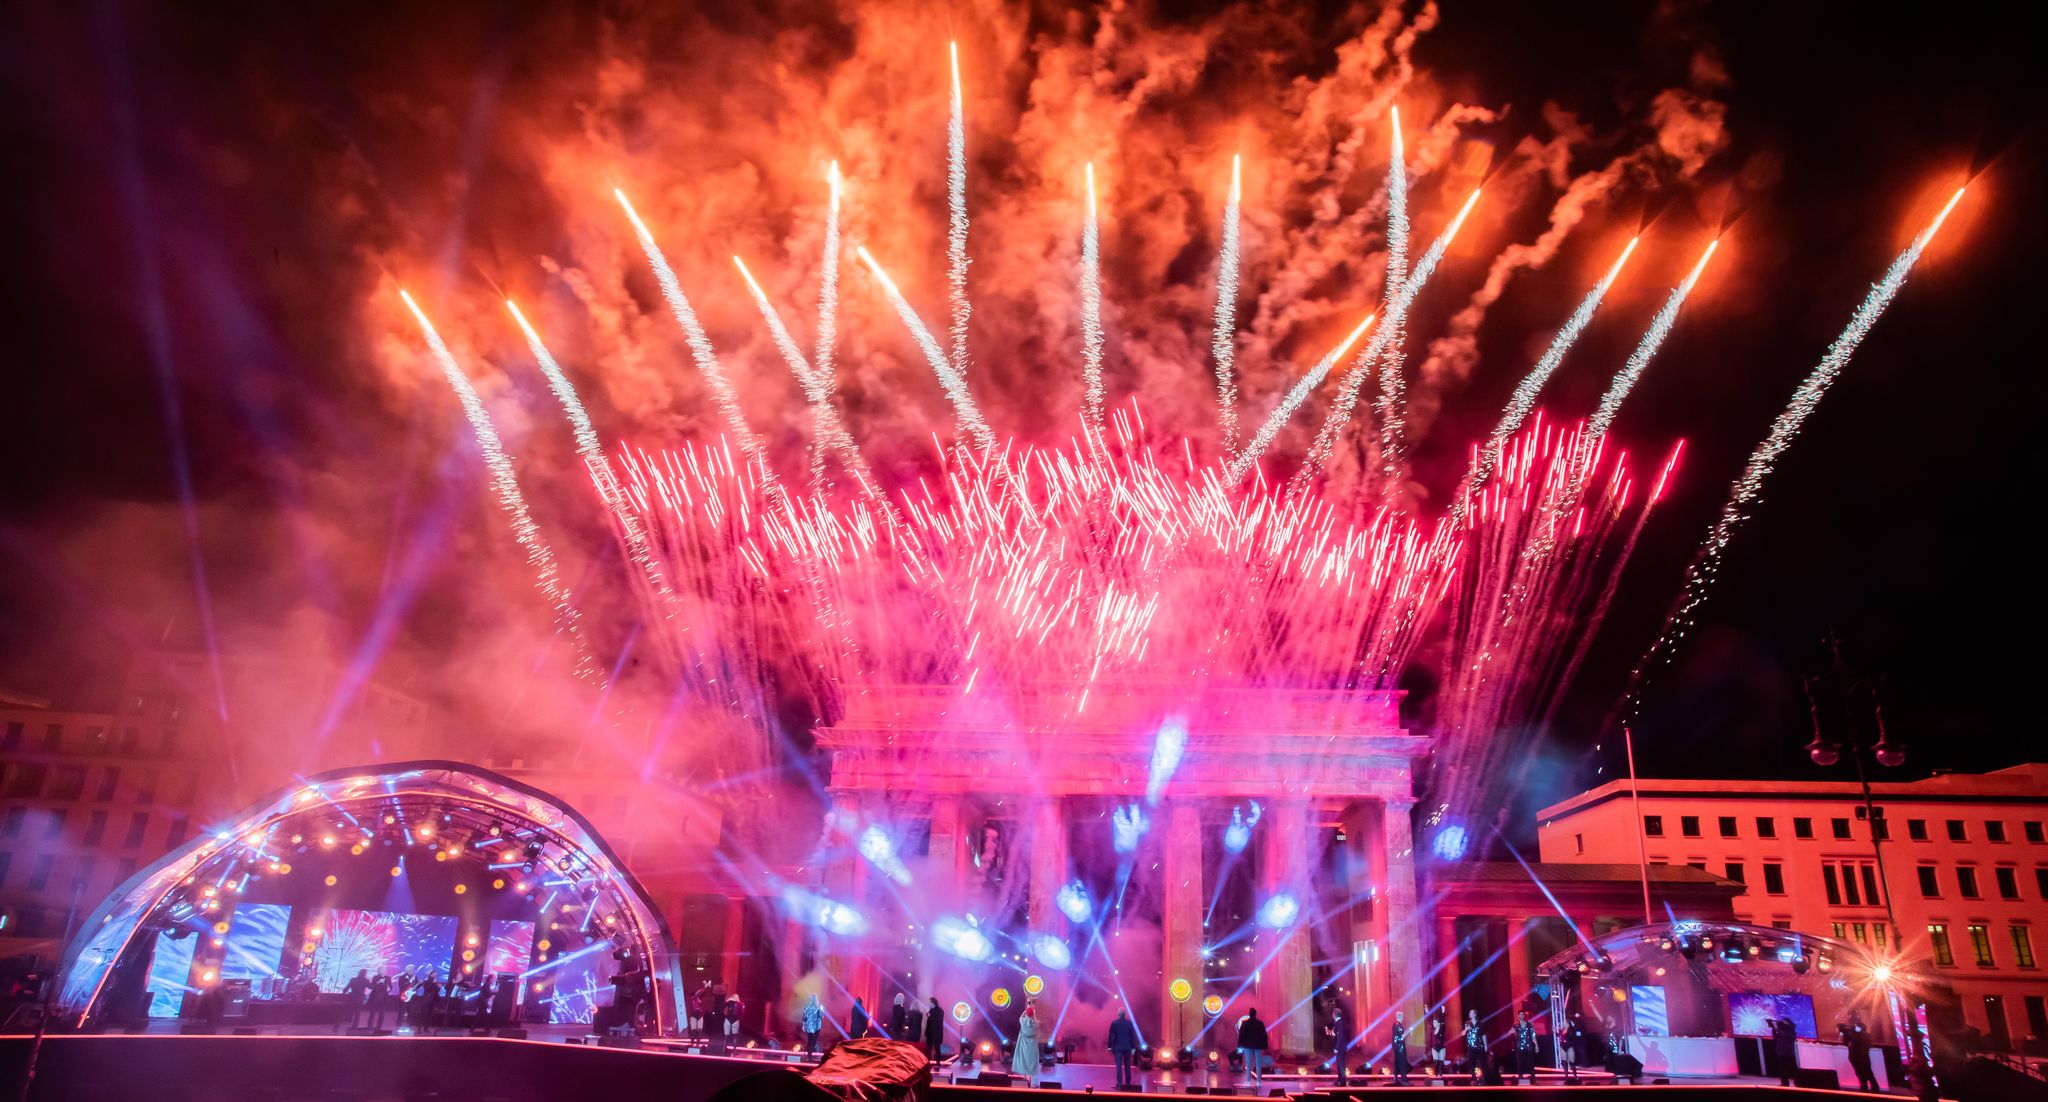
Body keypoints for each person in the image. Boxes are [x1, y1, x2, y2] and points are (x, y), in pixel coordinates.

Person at [1841, 1010, 1878, 1092]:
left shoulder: (1866, 1036)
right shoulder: (1855, 1036)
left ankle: (1875, 1090)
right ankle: (1864, 1089)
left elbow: (1856, 1039)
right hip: (1855, 1059)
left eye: (1857, 1027)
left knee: (1868, 1075)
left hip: (1863, 1059)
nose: (1855, 1028)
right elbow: (1846, 1042)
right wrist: (1844, 1032)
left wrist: (1850, 1032)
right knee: (1861, 1076)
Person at [1108, 1008, 1141, 1088]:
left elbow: (1111, 1036)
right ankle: (1128, 1083)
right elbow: (1132, 1036)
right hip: (1127, 1047)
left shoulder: (1114, 1023)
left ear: (1118, 1014)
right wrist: (1133, 1047)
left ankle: (1119, 1084)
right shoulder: (1129, 1023)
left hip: (1118, 1047)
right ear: (1124, 1014)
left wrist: (1109, 1047)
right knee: (1128, 1066)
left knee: (1118, 1066)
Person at [1238, 1008, 1270, 1090]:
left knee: (1248, 1064)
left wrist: (1239, 1045)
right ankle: (1258, 1081)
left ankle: (1248, 1081)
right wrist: (1265, 1046)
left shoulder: (1245, 1023)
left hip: (1247, 1045)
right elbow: (1264, 1035)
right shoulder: (1260, 1023)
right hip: (1258, 1045)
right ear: (1256, 1014)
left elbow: (1241, 1034)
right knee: (1258, 1064)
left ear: (1249, 1014)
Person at [1012, 1005, 1043, 1085]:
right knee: (1033, 1063)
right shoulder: (1036, 1024)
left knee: (1023, 1061)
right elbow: (1035, 1020)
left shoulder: (1022, 1021)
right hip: (1032, 1047)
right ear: (1032, 1015)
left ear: (1026, 1014)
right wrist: (1033, 1014)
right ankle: (1034, 1083)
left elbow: (1021, 1017)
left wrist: (1025, 1011)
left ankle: (1023, 1081)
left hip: (1023, 1046)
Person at [1464, 1009, 1489, 1083]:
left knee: (1482, 1062)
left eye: (1471, 1012)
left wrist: (1486, 1045)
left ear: (1475, 1014)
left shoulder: (1480, 1024)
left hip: (1479, 1045)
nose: (1469, 1013)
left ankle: (1484, 1078)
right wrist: (1466, 1030)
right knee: (1472, 1063)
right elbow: (1462, 1033)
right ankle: (1474, 1078)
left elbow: (1483, 1035)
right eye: (1469, 1012)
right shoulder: (1467, 1023)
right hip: (1471, 1046)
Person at [1773, 1017, 1799, 1087]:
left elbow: (1785, 1035)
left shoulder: (1791, 1030)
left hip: (1788, 1052)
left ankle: (1798, 1081)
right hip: (1780, 1051)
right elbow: (1776, 1038)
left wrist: (1777, 1028)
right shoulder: (1782, 1029)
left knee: (1793, 1068)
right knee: (1782, 1068)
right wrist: (1774, 1029)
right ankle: (1784, 1083)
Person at [1328, 999, 1349, 1085]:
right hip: (1340, 1047)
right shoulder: (1338, 1023)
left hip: (1340, 1047)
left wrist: (1336, 1047)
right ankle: (1340, 1079)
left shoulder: (1339, 1023)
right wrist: (1329, 1032)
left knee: (1341, 1065)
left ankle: (1342, 1081)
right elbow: (1336, 1035)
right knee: (1339, 1064)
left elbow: (1340, 1037)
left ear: (1334, 1015)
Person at [1514, 1011, 1538, 1081]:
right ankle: (1520, 1076)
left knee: (1530, 1062)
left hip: (1528, 1046)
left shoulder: (1529, 1025)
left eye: (1522, 1014)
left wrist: (1536, 1046)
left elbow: (1533, 1035)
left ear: (1524, 1016)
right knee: (1520, 1062)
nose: (1521, 1015)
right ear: (1518, 1016)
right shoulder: (1516, 1025)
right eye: (1520, 1014)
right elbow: (1511, 1032)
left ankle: (1533, 1077)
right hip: (1519, 1046)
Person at [1561, 1013, 1585, 1083]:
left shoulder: (1572, 1029)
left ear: (1567, 1022)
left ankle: (1575, 1076)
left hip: (1569, 1046)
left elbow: (1576, 1035)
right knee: (1564, 1062)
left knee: (1571, 1063)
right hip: (1563, 1046)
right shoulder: (1562, 1029)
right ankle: (1566, 1077)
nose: (1563, 1023)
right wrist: (1555, 1032)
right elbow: (1559, 1035)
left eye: (1565, 1022)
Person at [1391, 1010, 1412, 1084]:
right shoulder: (1398, 1025)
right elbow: (1401, 1037)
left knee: (1397, 1063)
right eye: (1402, 1016)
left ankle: (1395, 1079)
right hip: (1400, 1048)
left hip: (1396, 1047)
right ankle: (1404, 1079)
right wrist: (1408, 1032)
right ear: (1400, 1016)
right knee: (1402, 1063)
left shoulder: (1394, 1024)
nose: (1403, 1018)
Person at [1428, 1012, 1449, 1079]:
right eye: (1433, 1023)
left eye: (1435, 1022)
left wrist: (1443, 1012)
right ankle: (1436, 1074)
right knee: (1436, 1062)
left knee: (1441, 1062)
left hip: (1441, 1048)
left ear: (1439, 1023)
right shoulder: (1432, 1029)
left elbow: (1443, 1021)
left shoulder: (1442, 1029)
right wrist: (1427, 1012)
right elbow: (1429, 1020)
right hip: (1434, 1048)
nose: (1434, 1024)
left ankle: (1440, 1075)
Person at [925, 997, 946, 1062]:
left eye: (929, 1002)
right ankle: (929, 1060)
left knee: (936, 1047)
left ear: (933, 1003)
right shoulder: (932, 1010)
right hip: (931, 1032)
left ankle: (937, 1061)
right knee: (930, 1047)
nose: (928, 1004)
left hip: (936, 1032)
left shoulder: (938, 1011)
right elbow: (928, 1016)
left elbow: (936, 1020)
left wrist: (930, 1016)